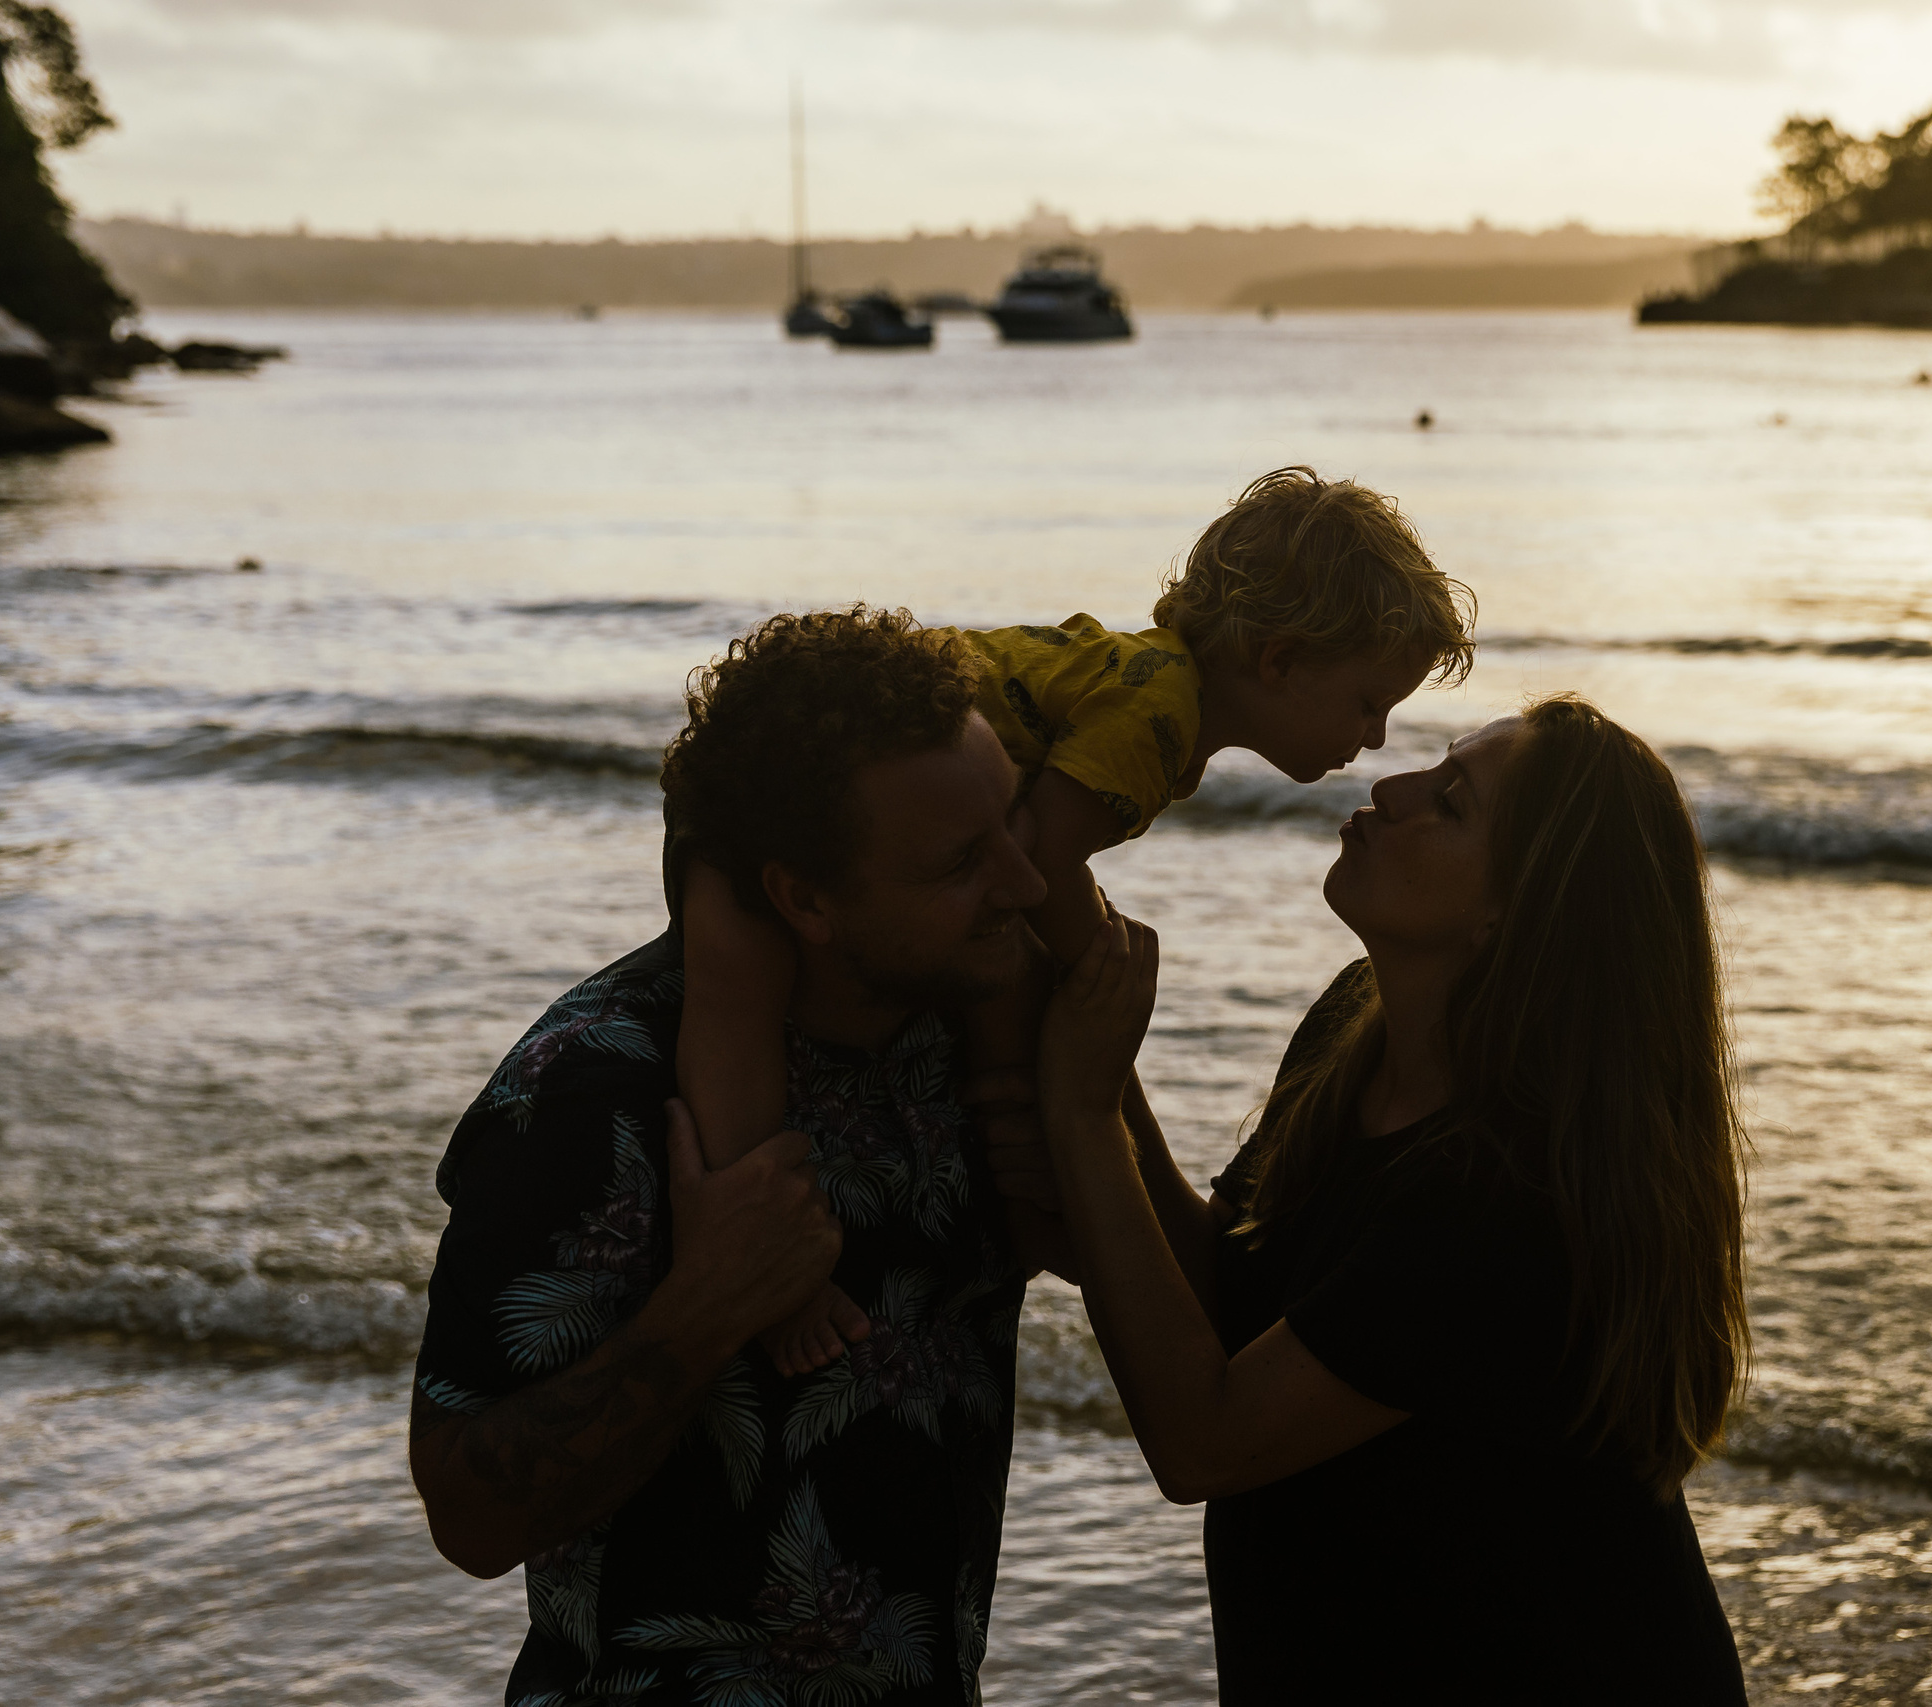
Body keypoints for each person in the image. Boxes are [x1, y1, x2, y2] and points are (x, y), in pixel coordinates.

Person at [670, 466, 1478, 1375]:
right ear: (1280, 661)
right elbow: (1033, 862)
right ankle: (796, 1254)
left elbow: (1018, 861)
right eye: (1369, 702)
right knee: (738, 1014)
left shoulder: (1157, 685)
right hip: (787, 781)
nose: (1373, 737)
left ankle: (1030, 1200)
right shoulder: (1160, 715)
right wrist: (1100, 957)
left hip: (795, 768)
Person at [1036, 693, 1754, 1701]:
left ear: (1515, 910)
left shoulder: (1506, 1196)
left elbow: (1204, 1439)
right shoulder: (1352, 1035)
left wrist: (1081, 1119)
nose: (1390, 785)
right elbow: (1229, 1297)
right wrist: (1063, 918)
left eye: (1449, 802)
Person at [411, 608, 1057, 1707]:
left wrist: (1091, 1097)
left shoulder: (975, 1034)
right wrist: (706, 1307)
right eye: (960, 861)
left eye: (1013, 823)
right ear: (802, 897)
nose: (1024, 883)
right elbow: (469, 1514)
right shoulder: (592, 1091)